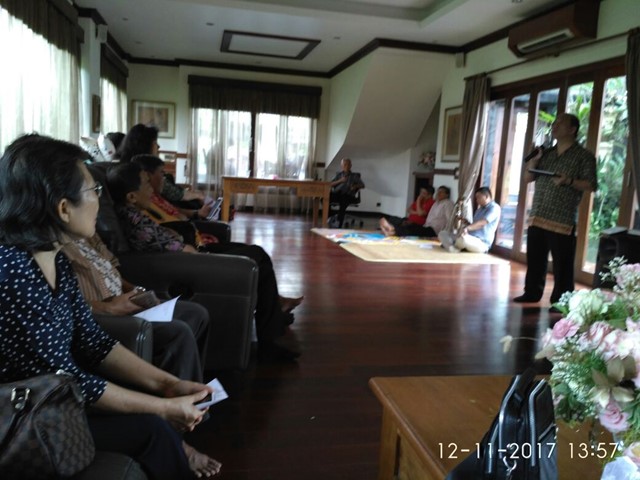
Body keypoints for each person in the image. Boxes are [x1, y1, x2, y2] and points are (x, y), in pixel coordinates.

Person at [0, 133, 221, 479]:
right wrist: (162, 407)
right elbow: (67, 379)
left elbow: (94, 342)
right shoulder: (13, 273)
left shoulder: (56, 260)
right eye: (93, 190)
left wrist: (168, 385)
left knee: (153, 425)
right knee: (152, 428)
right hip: (23, 417)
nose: (99, 200)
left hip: (54, 400)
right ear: (63, 208)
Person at [106, 162, 303, 361]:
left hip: (193, 253)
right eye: (146, 184)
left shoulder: (135, 212)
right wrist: (192, 247)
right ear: (131, 197)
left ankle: (273, 318)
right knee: (257, 257)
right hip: (192, 262)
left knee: (257, 254)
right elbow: (181, 250)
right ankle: (270, 337)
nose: (151, 189)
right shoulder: (135, 222)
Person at [61, 234, 211, 381]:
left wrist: (135, 291)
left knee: (196, 313)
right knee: (177, 332)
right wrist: (106, 307)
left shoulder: (89, 235)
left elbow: (112, 270)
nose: (96, 218)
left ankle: (193, 384)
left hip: (122, 304)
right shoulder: (57, 249)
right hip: (97, 317)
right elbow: (62, 303)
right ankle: (180, 393)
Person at [513, 113, 597, 305]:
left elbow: (591, 184)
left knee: (563, 264)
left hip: (562, 218)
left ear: (572, 129)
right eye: (555, 122)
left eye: (560, 122)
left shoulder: (584, 156)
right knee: (535, 259)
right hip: (538, 213)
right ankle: (532, 292)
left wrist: (569, 181)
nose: (555, 125)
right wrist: (534, 160)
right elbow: (528, 178)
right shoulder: (546, 153)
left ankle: (561, 301)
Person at [116, 124, 204, 206]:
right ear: (144, 145)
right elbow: (178, 194)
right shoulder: (140, 171)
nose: (158, 146)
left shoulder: (127, 166)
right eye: (155, 142)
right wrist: (197, 196)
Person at [438, 187, 501, 253]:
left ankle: (451, 245)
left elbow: (482, 223)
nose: (477, 200)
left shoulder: (494, 208)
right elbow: (474, 225)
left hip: (482, 243)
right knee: (442, 233)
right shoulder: (479, 209)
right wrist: (466, 222)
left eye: (478, 197)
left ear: (486, 196)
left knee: (463, 239)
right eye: (476, 198)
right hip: (470, 237)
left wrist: (467, 228)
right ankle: (452, 248)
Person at [380, 186, 454, 238]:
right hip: (426, 226)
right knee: (411, 227)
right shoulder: (436, 203)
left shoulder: (448, 203)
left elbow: (450, 219)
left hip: (435, 230)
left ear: (447, 195)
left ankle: (392, 229)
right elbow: (409, 210)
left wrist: (445, 235)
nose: (438, 193)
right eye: (438, 191)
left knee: (412, 230)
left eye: (441, 192)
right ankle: (391, 230)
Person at [329, 158, 365, 228]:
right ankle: (330, 217)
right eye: (345, 164)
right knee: (324, 198)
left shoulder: (354, 176)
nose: (346, 166)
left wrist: (355, 186)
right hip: (337, 194)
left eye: (348, 164)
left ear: (351, 165)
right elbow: (330, 184)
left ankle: (338, 223)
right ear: (341, 166)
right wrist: (340, 181)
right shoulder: (339, 175)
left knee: (343, 200)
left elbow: (363, 185)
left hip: (348, 195)